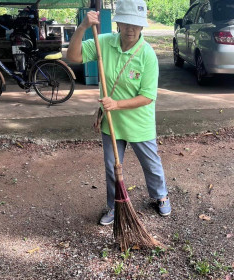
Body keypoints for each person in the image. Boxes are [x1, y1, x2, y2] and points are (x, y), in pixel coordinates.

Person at [66, 0, 171, 225]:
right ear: (118, 23)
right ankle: (115, 206)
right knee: (113, 167)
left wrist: (117, 104)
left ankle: (160, 196)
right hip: (111, 122)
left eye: (136, 24)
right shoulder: (103, 42)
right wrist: (83, 27)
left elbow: (148, 96)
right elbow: (73, 57)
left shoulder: (147, 55)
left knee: (151, 164)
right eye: (126, 23)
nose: (131, 29)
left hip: (139, 121)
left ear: (142, 26)